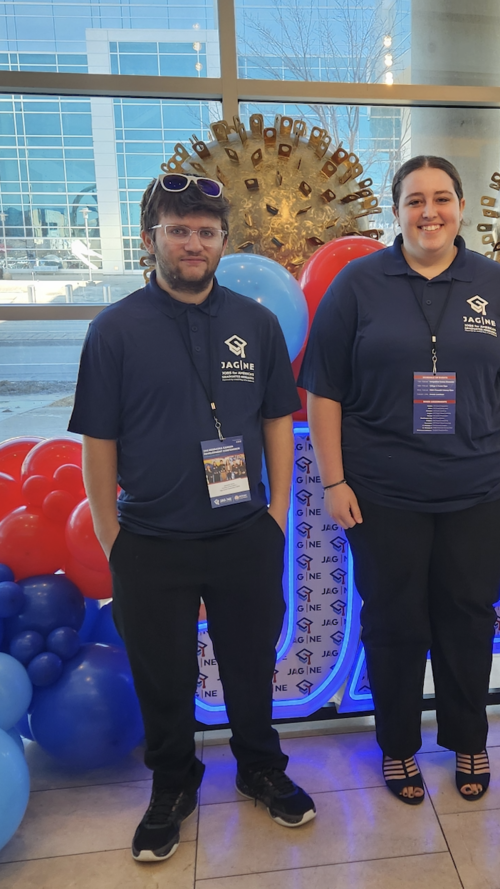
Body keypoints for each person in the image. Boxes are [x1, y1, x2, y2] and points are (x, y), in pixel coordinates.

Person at [70, 173, 315, 863]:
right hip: (149, 538)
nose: (192, 243)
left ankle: (260, 767)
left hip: (243, 535)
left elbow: (276, 418)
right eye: (178, 230)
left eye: (206, 232)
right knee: (163, 673)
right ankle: (173, 783)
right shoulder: (113, 330)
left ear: (223, 242)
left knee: (248, 662)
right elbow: (99, 444)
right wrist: (112, 536)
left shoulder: (256, 324)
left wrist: (274, 510)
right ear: (152, 240)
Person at [300, 155, 500, 805]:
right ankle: (398, 746)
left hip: (480, 490)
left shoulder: (496, 286)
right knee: (394, 622)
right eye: (414, 200)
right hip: (383, 495)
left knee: (467, 618)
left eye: (441, 197)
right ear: (397, 210)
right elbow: (322, 391)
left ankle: (468, 737)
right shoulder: (357, 285)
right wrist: (333, 481)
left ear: (461, 206)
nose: (429, 211)